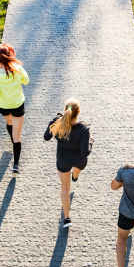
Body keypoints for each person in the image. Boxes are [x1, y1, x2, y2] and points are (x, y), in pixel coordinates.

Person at [44, 98, 91, 229]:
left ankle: (66, 218)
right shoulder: (83, 129)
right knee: (77, 170)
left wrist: (52, 123)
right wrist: (91, 143)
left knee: (65, 188)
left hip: (63, 159)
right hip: (78, 160)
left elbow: (46, 137)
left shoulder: (57, 123)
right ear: (78, 112)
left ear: (65, 110)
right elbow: (85, 152)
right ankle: (75, 175)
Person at [0, 43, 30, 172]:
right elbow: (26, 81)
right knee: (17, 136)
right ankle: (16, 165)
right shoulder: (17, 69)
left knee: (9, 122)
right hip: (17, 104)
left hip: (3, 105)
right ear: (9, 55)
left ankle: (12, 141)